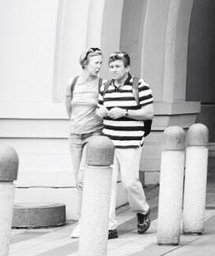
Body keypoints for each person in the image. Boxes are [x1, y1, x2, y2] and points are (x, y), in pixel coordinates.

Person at [96, 51, 153, 238]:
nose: (113, 70)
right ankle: (109, 227)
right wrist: (102, 111)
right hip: (108, 142)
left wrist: (125, 112)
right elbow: (98, 109)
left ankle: (142, 210)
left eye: (117, 66)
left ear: (127, 68)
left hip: (130, 142)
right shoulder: (105, 86)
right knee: (108, 185)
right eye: (111, 67)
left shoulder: (140, 86)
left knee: (129, 183)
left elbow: (148, 113)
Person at [65, 46, 103, 238]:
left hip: (93, 135)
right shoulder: (73, 83)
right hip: (75, 136)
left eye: (101, 63)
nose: (99, 66)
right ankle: (86, 218)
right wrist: (76, 124)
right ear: (85, 64)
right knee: (77, 180)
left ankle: (84, 220)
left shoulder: (101, 84)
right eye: (96, 63)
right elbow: (69, 108)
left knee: (83, 179)